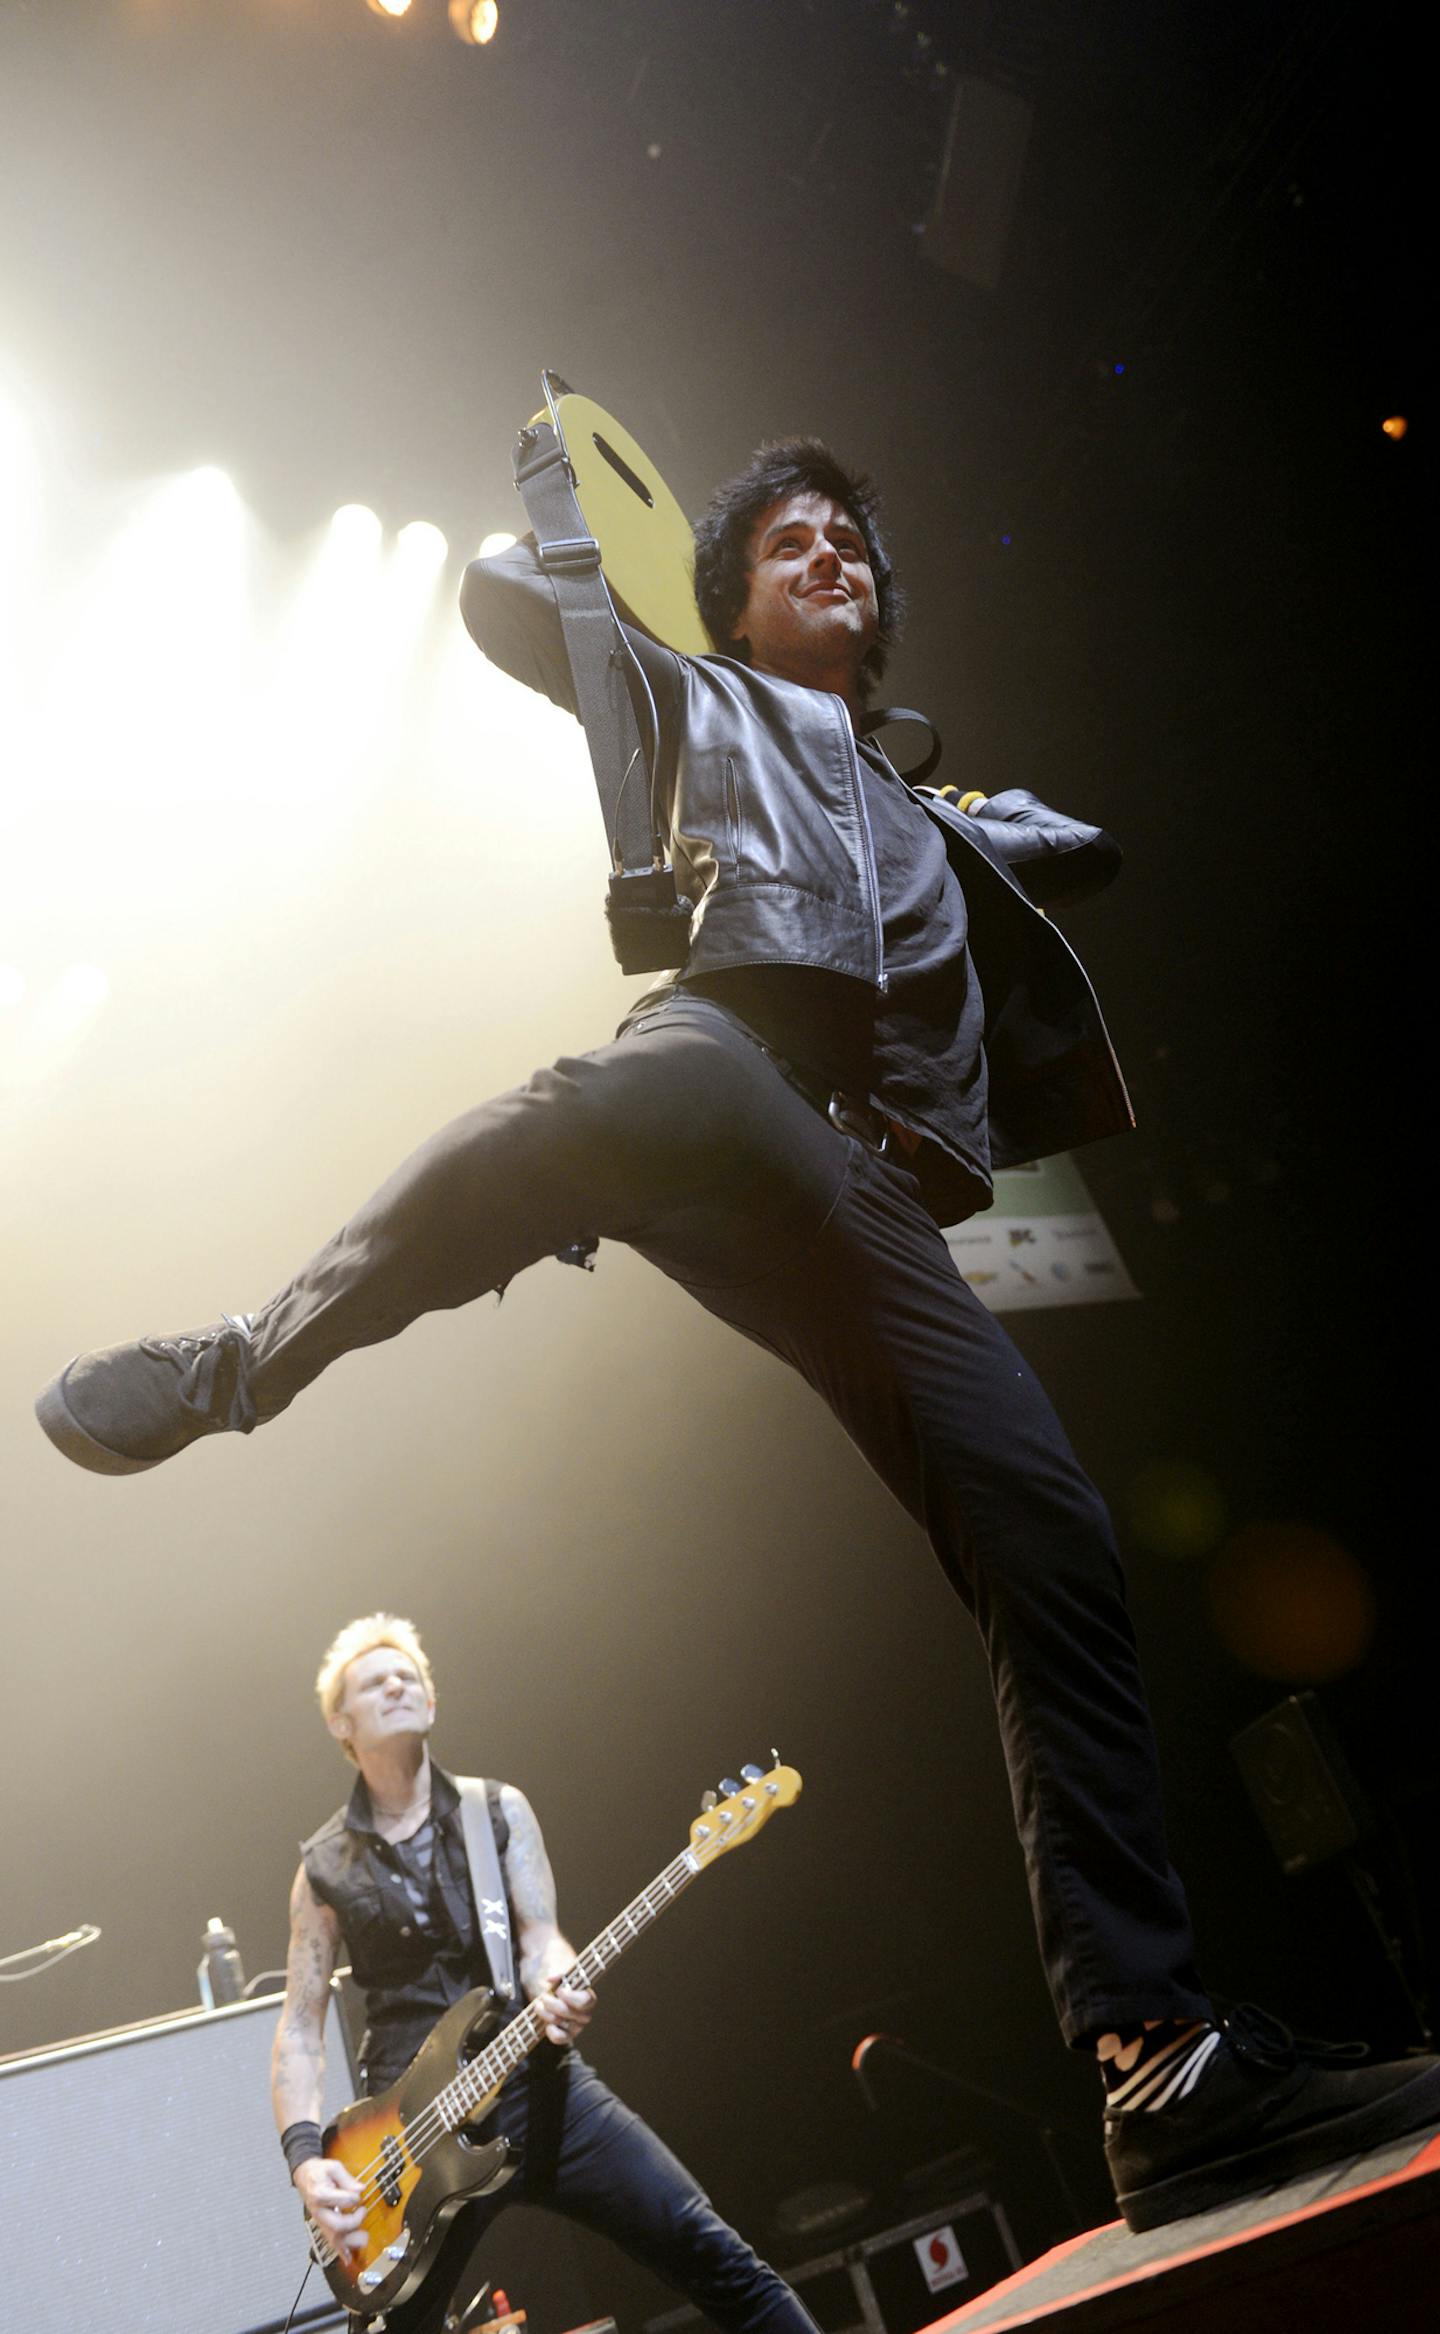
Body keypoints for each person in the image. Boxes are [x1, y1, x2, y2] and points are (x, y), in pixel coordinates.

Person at [40, 440, 1438, 2229]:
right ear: (732, 601)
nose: (828, 551)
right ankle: (246, 1357)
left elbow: (1087, 841)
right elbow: (491, 598)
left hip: (866, 1200)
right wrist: (574, 519)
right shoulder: (696, 697)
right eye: (787, 542)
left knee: (1056, 1537)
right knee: (565, 1123)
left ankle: (1156, 2063)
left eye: (850, 538)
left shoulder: (943, 809)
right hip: (733, 1064)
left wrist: (994, 820)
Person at [274, 1612, 820, 2334]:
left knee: (711, 2251)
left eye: (410, 1676)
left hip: (535, 2082)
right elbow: (301, 2032)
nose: (399, 1684)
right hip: (408, 2141)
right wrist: (308, 2162)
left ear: (432, 1704)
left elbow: (540, 1942)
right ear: (342, 1724)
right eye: (376, 1681)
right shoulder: (322, 1870)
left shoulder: (496, 1811)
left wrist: (561, 1986)